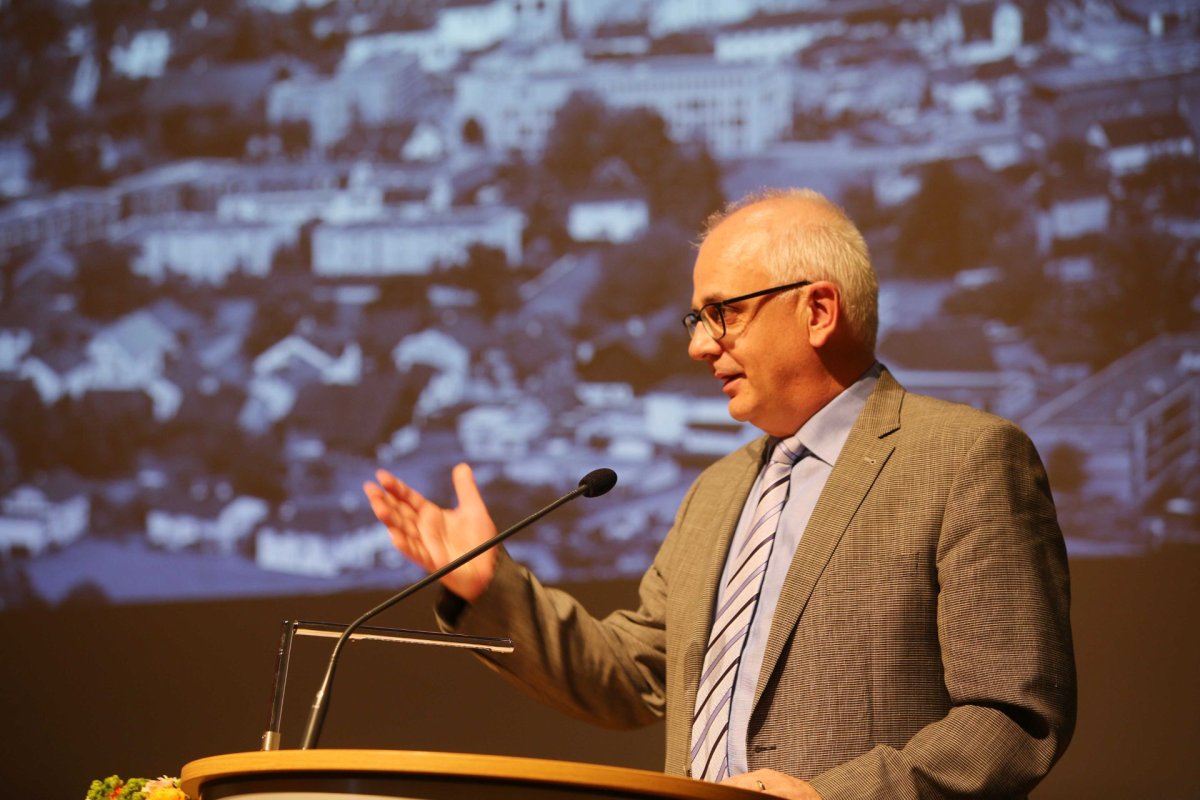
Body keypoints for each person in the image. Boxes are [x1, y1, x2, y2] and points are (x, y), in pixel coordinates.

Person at [364, 188, 1076, 799]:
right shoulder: (717, 490)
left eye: (722, 313)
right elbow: (633, 673)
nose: (699, 345)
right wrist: (489, 586)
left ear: (818, 311)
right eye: (696, 319)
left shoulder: (965, 460)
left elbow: (1013, 717)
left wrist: (831, 798)